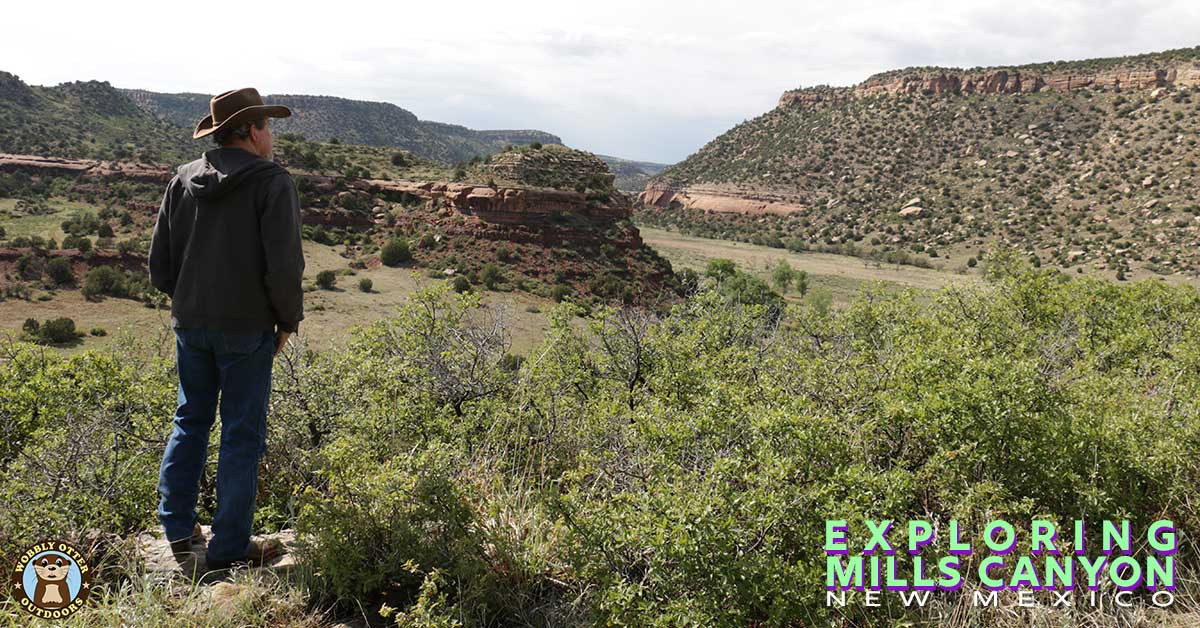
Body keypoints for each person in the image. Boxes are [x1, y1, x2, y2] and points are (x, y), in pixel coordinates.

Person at [148, 87, 304, 571]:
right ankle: (230, 546)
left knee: (190, 420)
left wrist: (191, 301)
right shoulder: (272, 182)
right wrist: (287, 321)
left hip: (191, 323)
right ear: (251, 130)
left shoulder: (182, 180)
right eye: (268, 126)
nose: (271, 135)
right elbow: (284, 266)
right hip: (247, 328)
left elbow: (160, 265)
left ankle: (178, 530)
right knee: (241, 433)